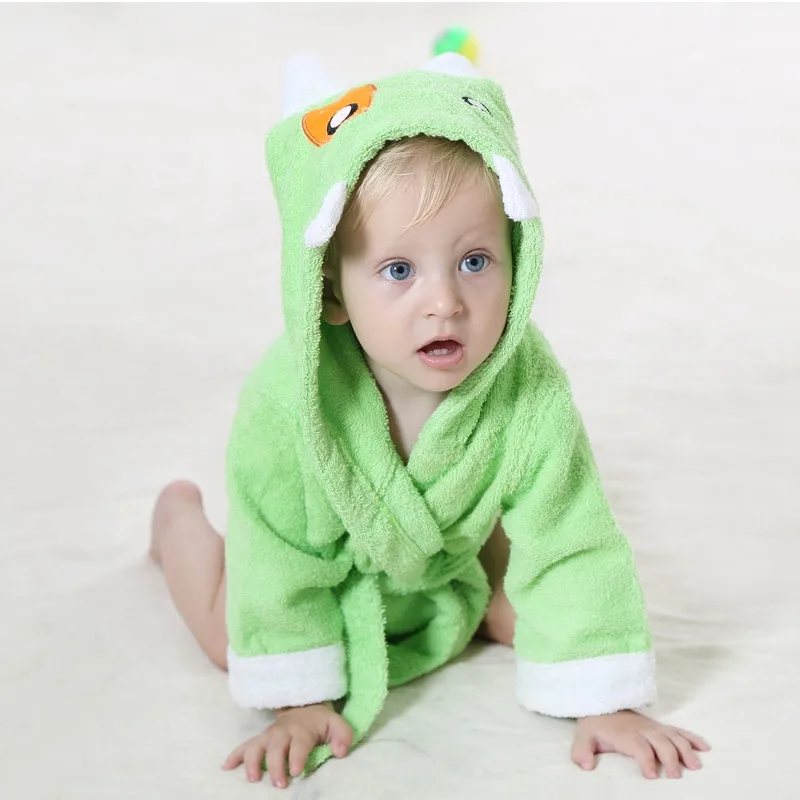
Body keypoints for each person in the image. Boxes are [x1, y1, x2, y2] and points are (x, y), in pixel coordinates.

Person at [150, 53, 710, 788]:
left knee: (527, 619)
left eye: (475, 261)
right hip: (328, 568)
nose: (444, 302)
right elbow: (279, 553)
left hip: (449, 555)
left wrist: (604, 701)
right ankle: (175, 521)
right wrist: (300, 700)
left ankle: (511, 612)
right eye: (399, 271)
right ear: (331, 292)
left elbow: (570, 537)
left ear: (517, 255)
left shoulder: (526, 383)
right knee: (228, 636)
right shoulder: (292, 400)